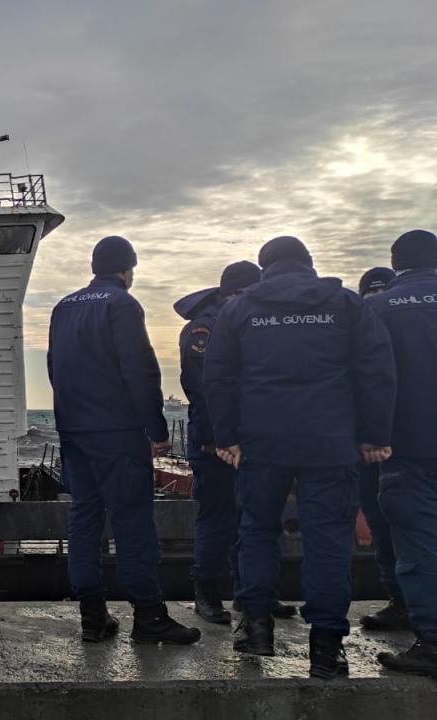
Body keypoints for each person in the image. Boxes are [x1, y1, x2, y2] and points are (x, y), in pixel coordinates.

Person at [205, 236, 395, 679]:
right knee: (328, 540)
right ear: (308, 264)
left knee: (256, 530)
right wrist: (373, 435)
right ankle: (327, 647)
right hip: (330, 443)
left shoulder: (239, 309)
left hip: (262, 442)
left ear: (264, 268)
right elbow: (376, 370)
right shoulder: (346, 305)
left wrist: (226, 437)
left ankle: (256, 629)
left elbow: (218, 376)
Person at [48, 236, 201, 645]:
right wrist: (157, 430)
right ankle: (149, 616)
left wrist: (70, 421)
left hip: (74, 431)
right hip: (116, 433)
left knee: (84, 519)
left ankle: (92, 617)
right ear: (127, 269)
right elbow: (140, 369)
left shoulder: (63, 307)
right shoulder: (122, 304)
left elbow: (54, 367)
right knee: (133, 524)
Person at [174, 261, 261, 624]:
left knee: (253, 517)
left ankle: (251, 592)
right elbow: (205, 388)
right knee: (217, 517)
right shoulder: (205, 328)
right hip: (214, 443)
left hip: (247, 437)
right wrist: (218, 440)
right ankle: (206, 592)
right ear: (238, 293)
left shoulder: (239, 320)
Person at [370, 230, 437, 677]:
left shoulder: (380, 308)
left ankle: (432, 642)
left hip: (409, 443)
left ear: (394, 263)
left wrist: (372, 436)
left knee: (418, 543)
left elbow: (369, 376)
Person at [355, 267, 410, 632]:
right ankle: (401, 600)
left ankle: (407, 604)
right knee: (386, 526)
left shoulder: (362, 325)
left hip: (385, 445)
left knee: (401, 527)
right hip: (384, 446)